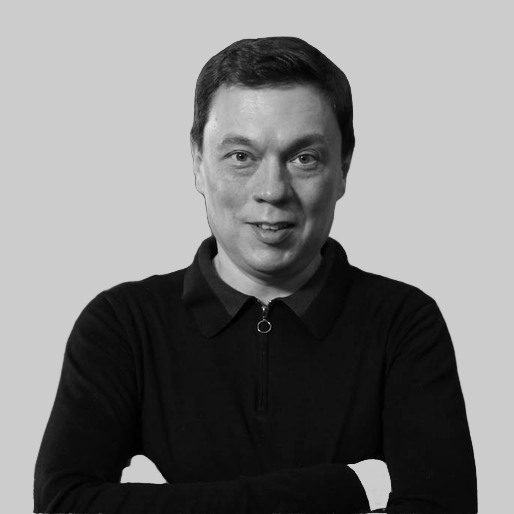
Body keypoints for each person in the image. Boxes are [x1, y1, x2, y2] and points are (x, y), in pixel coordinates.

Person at [33, 37, 477, 514]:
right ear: (198, 163)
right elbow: (63, 504)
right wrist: (340, 489)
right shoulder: (123, 325)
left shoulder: (403, 324)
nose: (272, 190)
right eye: (241, 156)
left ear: (343, 169)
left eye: (304, 158)